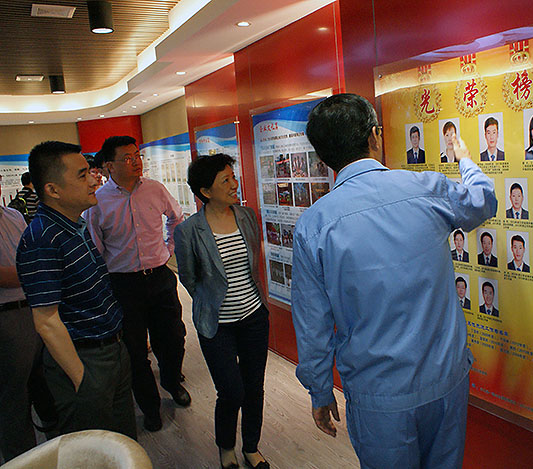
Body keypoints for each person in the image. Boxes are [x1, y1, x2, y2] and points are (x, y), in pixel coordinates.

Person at [292, 94, 497, 469]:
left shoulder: (314, 226)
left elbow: (312, 325)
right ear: (375, 135)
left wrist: (320, 391)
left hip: (378, 397)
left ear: (323, 157)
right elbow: (483, 200)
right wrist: (465, 160)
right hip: (446, 380)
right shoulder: (426, 189)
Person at [15, 141, 136, 440]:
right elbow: (46, 320)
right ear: (53, 190)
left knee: (122, 443)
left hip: (112, 350)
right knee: (94, 449)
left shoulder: (74, 226)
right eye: (83, 175)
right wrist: (82, 379)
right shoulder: (42, 239)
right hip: (86, 359)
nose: (95, 180)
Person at [84, 136, 189, 433]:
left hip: (159, 277)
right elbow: (95, 247)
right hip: (123, 285)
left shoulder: (155, 189)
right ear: (109, 165)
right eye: (127, 158)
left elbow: (176, 219)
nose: (136, 162)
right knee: (134, 351)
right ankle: (150, 407)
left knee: (173, 338)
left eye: (137, 155)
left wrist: (168, 249)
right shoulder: (97, 202)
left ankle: (172, 381)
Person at [174, 154, 270, 469]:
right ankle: (226, 448)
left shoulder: (247, 216)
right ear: (205, 191)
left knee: (254, 387)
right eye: (225, 180)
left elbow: (253, 263)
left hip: (254, 316)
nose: (234, 184)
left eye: (233, 176)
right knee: (231, 390)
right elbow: (189, 278)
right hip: (217, 324)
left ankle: (251, 447)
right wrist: (213, 301)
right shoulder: (189, 230)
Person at [0, 174, 57, 463]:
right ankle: (22, 461)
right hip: (7, 318)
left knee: (47, 385)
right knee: (14, 399)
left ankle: (57, 449)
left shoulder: (13, 216)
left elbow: (31, 254)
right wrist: (35, 270)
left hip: (35, 308)